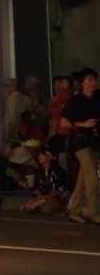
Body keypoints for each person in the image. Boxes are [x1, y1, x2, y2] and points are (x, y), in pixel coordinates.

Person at [60, 67, 100, 224]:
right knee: (91, 174)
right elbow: (64, 122)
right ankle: (94, 212)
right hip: (79, 140)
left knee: (84, 177)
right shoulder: (75, 100)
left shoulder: (98, 97)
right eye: (89, 80)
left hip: (95, 141)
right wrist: (84, 124)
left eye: (94, 79)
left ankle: (75, 210)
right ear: (82, 83)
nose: (92, 83)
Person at [21, 148, 68, 215]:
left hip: (56, 197)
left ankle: (60, 209)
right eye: (39, 155)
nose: (39, 156)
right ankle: (38, 207)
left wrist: (44, 197)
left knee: (45, 209)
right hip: (43, 196)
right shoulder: (40, 170)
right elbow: (36, 185)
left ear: (50, 157)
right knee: (27, 206)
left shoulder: (58, 170)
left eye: (42, 155)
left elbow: (59, 190)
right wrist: (39, 195)